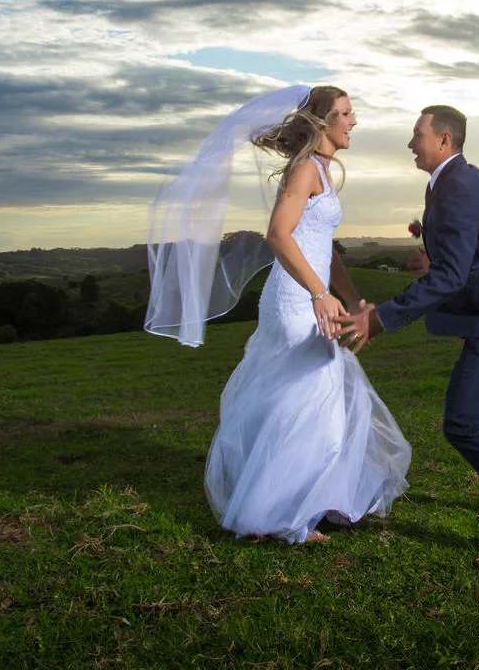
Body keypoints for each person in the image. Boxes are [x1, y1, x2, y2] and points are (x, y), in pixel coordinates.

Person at [145, 85, 410, 544]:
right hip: (293, 302)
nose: (354, 121)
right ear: (323, 122)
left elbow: (324, 249)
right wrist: (318, 293)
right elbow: (278, 234)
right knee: (308, 402)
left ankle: (317, 500)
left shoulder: (322, 171)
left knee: (320, 402)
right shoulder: (305, 169)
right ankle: (277, 515)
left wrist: (349, 297)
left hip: (312, 297)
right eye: (346, 113)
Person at [339, 105, 479, 567]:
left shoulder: (458, 184)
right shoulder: (449, 180)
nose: (410, 143)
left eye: (417, 134)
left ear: (444, 140)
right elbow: (463, 256)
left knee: (465, 422)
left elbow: (452, 277)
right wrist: (433, 260)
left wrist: (380, 319)